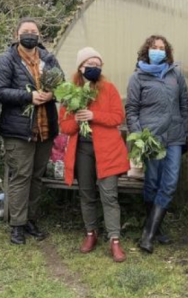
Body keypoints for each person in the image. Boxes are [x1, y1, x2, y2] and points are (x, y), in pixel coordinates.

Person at [0, 18, 62, 245]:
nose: (30, 34)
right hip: (19, 130)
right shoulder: (6, 60)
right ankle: (17, 225)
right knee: (20, 176)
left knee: (36, 177)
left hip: (45, 127)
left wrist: (52, 95)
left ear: (39, 36)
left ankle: (31, 220)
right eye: (26, 31)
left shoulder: (49, 59)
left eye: (34, 31)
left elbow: (61, 84)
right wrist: (28, 96)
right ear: (17, 34)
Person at [59, 47, 129, 262]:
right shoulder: (71, 91)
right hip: (82, 150)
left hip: (107, 150)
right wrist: (77, 120)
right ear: (80, 67)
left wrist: (93, 115)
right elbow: (64, 127)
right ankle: (91, 233)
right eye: (89, 65)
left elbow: (118, 117)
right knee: (87, 193)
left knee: (109, 195)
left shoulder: (108, 89)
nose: (94, 68)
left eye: (97, 65)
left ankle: (114, 239)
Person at [125, 35, 188, 254]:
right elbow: (132, 110)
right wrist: (138, 136)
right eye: (154, 48)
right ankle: (156, 228)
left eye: (162, 48)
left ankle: (148, 234)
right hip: (150, 139)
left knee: (170, 183)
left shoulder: (176, 75)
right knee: (152, 182)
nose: (158, 51)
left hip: (173, 137)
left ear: (167, 52)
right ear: (147, 51)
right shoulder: (138, 77)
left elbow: (184, 105)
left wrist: (185, 133)